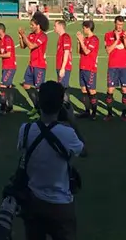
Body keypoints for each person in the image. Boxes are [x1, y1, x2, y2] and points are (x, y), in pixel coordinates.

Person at [17, 81, 85, 240]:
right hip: (60, 203)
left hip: (33, 199)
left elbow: (22, 149)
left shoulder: (25, 129)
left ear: (39, 102)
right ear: (61, 104)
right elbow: (84, 151)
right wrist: (73, 123)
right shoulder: (67, 133)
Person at [18, 12, 49, 120]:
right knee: (26, 85)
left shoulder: (43, 36)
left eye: (32, 25)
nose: (30, 27)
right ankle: (37, 107)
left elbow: (31, 46)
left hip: (39, 66)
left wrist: (23, 35)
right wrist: (21, 38)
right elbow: (22, 47)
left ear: (38, 25)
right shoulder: (31, 35)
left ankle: (42, 111)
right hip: (31, 65)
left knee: (39, 89)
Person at [103, 16, 126, 120]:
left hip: (124, 66)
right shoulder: (108, 35)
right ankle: (110, 114)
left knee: (125, 90)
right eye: (118, 24)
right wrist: (116, 40)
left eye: (121, 25)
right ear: (114, 24)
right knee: (110, 90)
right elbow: (108, 50)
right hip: (113, 66)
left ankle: (124, 114)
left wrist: (124, 39)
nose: (120, 27)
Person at [75, 20, 99, 119]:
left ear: (88, 28)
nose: (83, 30)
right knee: (84, 90)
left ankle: (94, 113)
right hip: (82, 67)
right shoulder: (84, 39)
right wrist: (78, 41)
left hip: (90, 69)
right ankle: (87, 111)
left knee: (91, 91)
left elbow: (87, 51)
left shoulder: (94, 39)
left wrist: (81, 41)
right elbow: (78, 51)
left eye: (84, 28)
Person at [54, 20, 73, 91]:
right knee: (60, 88)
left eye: (55, 26)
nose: (54, 28)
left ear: (60, 26)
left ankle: (65, 102)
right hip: (60, 66)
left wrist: (63, 68)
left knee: (62, 88)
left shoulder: (65, 37)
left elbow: (66, 52)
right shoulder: (61, 37)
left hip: (64, 67)